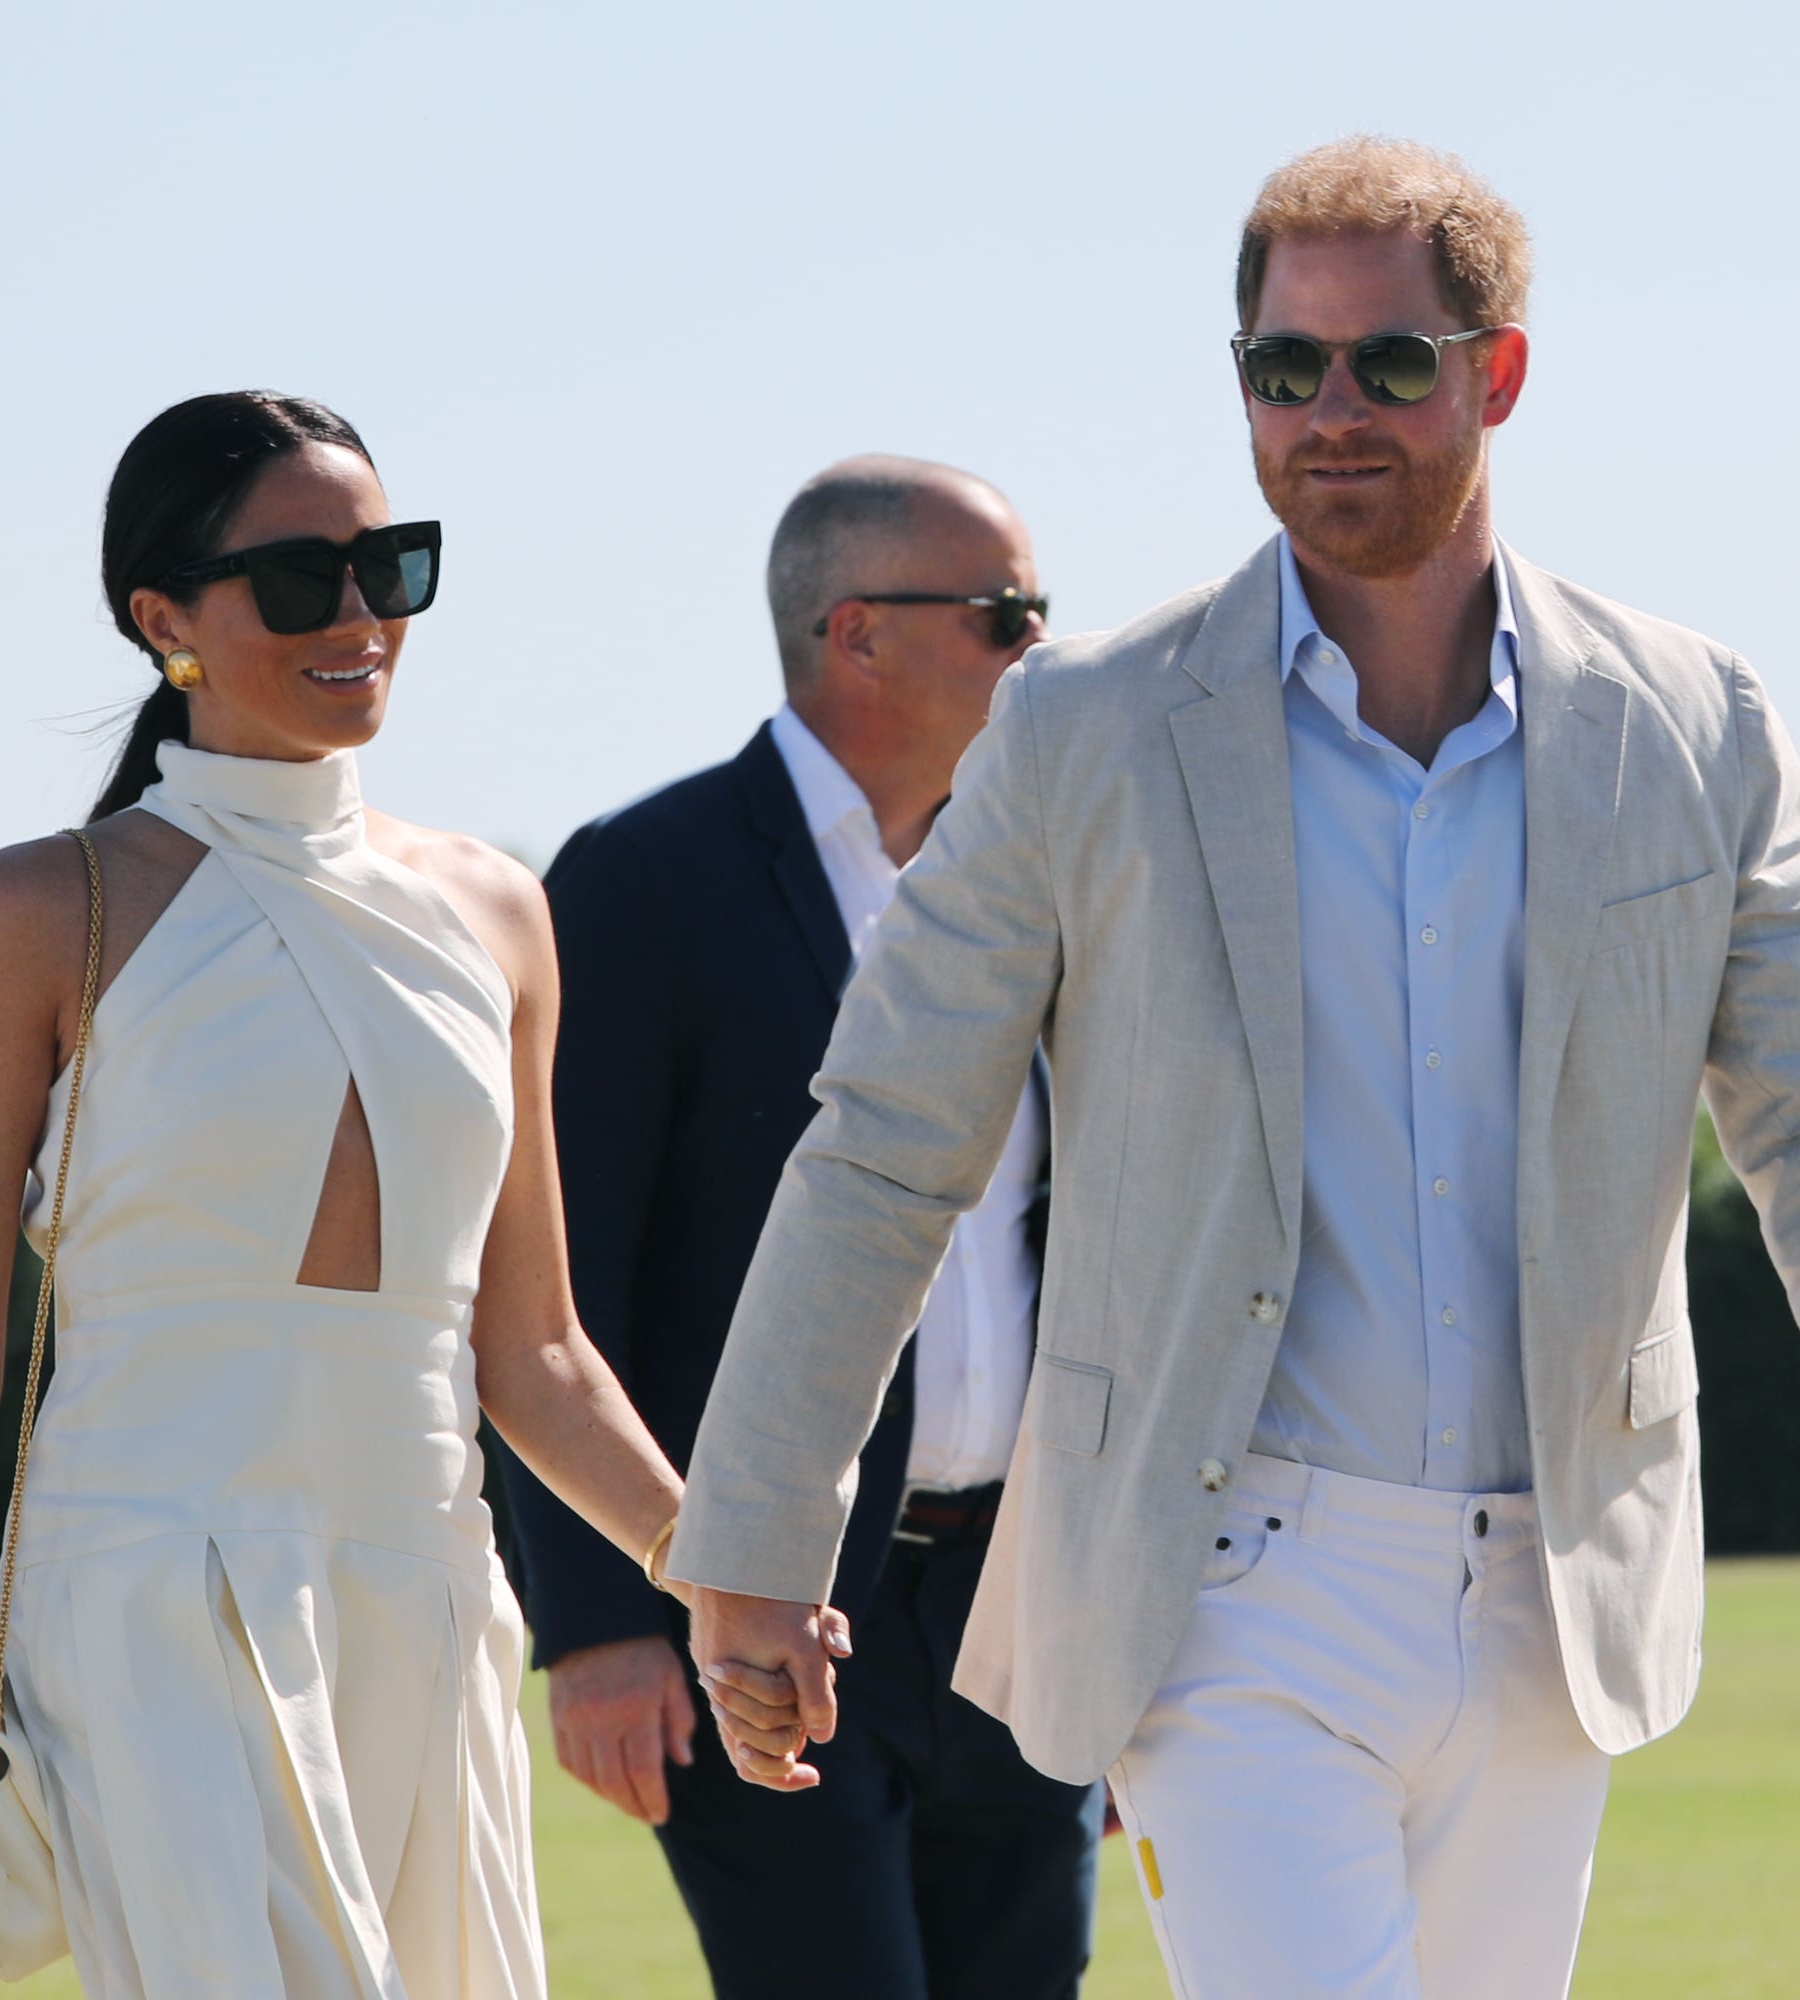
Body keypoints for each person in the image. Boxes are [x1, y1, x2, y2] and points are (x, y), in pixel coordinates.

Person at [671, 138, 1800, 1999]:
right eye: (1281, 368)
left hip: (1562, 1589)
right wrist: (753, 1531)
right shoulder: (1086, 728)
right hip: (1224, 1583)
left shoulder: (1696, 725)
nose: (1329, 413)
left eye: (1389, 363)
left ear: (1499, 375)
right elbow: (888, 1143)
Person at [0, 391, 811, 1998]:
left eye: (390, 568)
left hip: (421, 1586)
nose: (360, 617)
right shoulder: (38, 910)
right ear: (167, 622)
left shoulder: (498, 911)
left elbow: (541, 1350)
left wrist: (716, 1576)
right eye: (301, 579)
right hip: (145, 1592)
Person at [494, 455, 1101, 2000]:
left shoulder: (1041, 879)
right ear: (860, 635)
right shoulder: (642, 883)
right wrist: (600, 1627)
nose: (1044, 647)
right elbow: (564, 1283)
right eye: (1006, 613)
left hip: (1020, 1610)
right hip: (764, 1614)